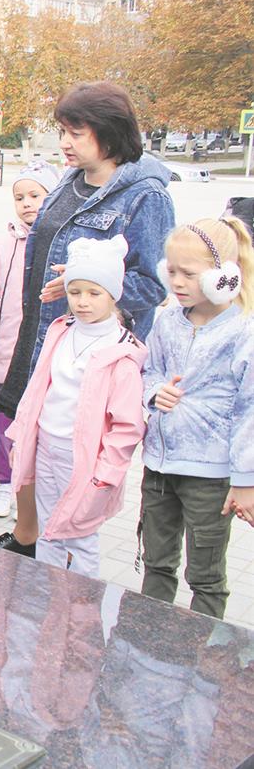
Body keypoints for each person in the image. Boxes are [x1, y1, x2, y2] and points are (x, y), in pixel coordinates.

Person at [0, 81, 173, 557]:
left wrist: (87, 290)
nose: (65, 143)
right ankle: (29, 536)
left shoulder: (145, 194)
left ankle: (64, 548)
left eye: (75, 132)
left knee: (66, 453)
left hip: (91, 353)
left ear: (108, 133)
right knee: (28, 441)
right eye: (62, 131)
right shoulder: (68, 186)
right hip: (43, 340)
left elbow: (154, 284)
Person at [5, 235, 146, 577]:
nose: (83, 302)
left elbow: (127, 425)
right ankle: (47, 598)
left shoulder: (121, 352)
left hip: (83, 459)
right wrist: (22, 436)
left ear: (113, 293)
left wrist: (106, 474)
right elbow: (40, 388)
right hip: (47, 445)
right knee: (49, 532)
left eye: (94, 293)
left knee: (80, 535)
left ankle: (81, 613)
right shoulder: (61, 330)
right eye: (75, 292)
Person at [139, 218, 254, 618]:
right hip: (158, 465)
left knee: (205, 575)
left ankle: (202, 659)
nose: (177, 281)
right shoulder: (168, 318)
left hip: (210, 474)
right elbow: (147, 370)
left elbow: (249, 411)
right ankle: (147, 638)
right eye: (170, 271)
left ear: (223, 276)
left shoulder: (243, 331)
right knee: (155, 562)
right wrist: (154, 392)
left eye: (188, 273)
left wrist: (244, 481)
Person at [0, 161, 61, 520]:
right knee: (3, 424)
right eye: (19, 197)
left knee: (40, 429)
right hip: (6, 354)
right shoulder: (3, 245)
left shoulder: (61, 244)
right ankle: (3, 483)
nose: (26, 203)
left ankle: (33, 492)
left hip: (44, 358)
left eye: (35, 195)